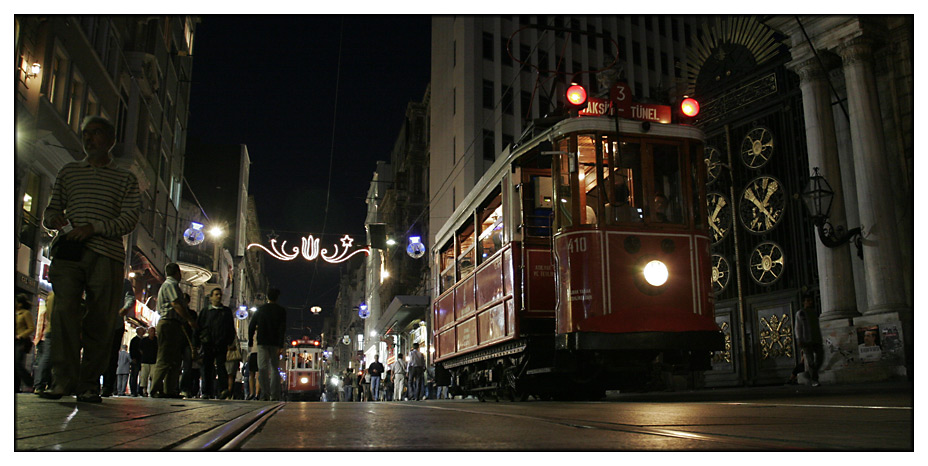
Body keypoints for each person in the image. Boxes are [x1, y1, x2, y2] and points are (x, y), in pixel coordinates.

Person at [39, 115, 141, 402]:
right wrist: (54, 219)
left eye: (95, 133)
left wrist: (94, 228)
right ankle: (62, 380)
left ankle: (88, 384)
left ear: (110, 141)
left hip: (105, 255)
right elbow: (51, 210)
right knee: (63, 313)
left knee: (100, 319)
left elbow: (129, 218)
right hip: (70, 252)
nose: (88, 138)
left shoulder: (125, 178)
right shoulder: (69, 172)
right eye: (85, 134)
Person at [149, 263, 199, 398]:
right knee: (165, 357)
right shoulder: (170, 285)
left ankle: (169, 389)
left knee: (174, 359)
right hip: (168, 323)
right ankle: (156, 389)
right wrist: (189, 319)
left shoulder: (172, 285)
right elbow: (175, 304)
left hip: (174, 325)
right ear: (177, 273)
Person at [248, 288, 287, 401]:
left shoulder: (261, 310)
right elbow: (282, 329)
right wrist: (281, 345)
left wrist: (250, 340)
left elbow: (252, 325)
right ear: (277, 297)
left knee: (262, 368)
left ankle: (264, 394)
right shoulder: (281, 311)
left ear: (267, 297)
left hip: (262, 342)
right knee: (275, 368)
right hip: (274, 342)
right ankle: (274, 395)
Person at [198, 288, 235, 399]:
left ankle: (223, 390)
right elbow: (199, 327)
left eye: (220, 295)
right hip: (208, 343)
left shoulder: (226, 311)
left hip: (221, 343)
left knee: (221, 366)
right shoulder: (205, 311)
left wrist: (229, 341)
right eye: (216, 294)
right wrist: (197, 342)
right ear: (211, 297)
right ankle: (206, 391)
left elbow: (230, 328)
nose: (218, 296)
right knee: (207, 368)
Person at [102, 279, 135, 397]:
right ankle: (98, 385)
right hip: (103, 322)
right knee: (104, 355)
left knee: (110, 356)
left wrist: (125, 308)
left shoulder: (123, 282)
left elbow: (130, 297)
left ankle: (107, 386)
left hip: (114, 323)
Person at [794, 294, 824, 387]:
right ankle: (814, 379)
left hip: (816, 339)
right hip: (806, 340)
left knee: (820, 357)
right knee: (810, 360)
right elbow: (798, 327)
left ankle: (811, 373)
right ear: (804, 302)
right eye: (807, 301)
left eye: (810, 300)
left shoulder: (814, 312)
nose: (810, 302)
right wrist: (799, 339)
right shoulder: (801, 313)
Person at [32, 292, 54, 395]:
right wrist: (37, 339)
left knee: (42, 361)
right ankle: (39, 384)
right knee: (45, 360)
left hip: (42, 339)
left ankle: (40, 384)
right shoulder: (45, 312)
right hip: (44, 339)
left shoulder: (45, 311)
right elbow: (40, 327)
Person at [15, 294, 36, 393]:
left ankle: (30, 382)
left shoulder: (25, 313)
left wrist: (21, 335)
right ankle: (16, 387)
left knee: (18, 363)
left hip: (21, 341)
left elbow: (31, 328)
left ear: (20, 303)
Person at [138, 327, 158, 396]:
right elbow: (140, 349)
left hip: (154, 361)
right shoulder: (144, 340)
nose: (152, 333)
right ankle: (144, 390)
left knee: (153, 376)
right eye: (151, 331)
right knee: (144, 376)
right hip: (145, 360)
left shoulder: (156, 340)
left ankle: (152, 390)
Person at [128, 327, 146, 396]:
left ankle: (140, 390)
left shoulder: (144, 340)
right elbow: (132, 350)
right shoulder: (134, 340)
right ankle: (133, 391)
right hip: (136, 360)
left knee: (142, 376)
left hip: (143, 360)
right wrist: (133, 358)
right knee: (134, 376)